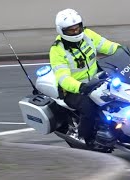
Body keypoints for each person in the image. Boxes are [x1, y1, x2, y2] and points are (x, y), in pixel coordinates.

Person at [49, 8, 120, 147]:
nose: (76, 32)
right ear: (61, 31)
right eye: (71, 30)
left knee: (120, 91)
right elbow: (63, 78)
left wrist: (125, 50)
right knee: (89, 107)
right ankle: (84, 138)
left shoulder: (87, 34)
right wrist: (80, 87)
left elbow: (107, 46)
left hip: (96, 79)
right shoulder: (57, 50)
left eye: (77, 28)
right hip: (73, 90)